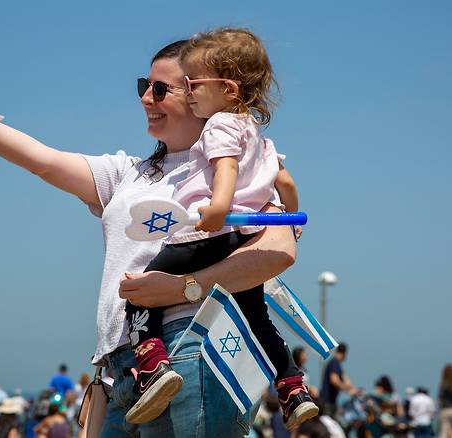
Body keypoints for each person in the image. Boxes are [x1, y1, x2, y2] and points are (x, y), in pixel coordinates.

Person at [0, 34, 297, 438]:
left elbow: (279, 252)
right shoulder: (131, 173)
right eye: (143, 86)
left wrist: (179, 289)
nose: (147, 98)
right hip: (119, 373)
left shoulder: (237, 179)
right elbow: (44, 161)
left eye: (161, 89)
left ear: (206, 93)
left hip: (192, 351)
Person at [123, 27, 313, 430]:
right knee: (256, 315)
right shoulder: (259, 137)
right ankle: (292, 387)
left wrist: (218, 207)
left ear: (226, 88)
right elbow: (288, 185)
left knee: (140, 289)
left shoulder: (219, 126)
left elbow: (224, 168)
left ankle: (153, 366)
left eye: (193, 84)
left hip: (206, 234)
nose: (188, 92)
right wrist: (290, 222)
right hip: (241, 239)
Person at [320, 343, 356, 419]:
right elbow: (334, 380)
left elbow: (345, 379)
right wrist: (348, 390)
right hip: (327, 401)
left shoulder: (337, 364)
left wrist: (353, 390)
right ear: (344, 353)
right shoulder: (334, 363)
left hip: (331, 401)